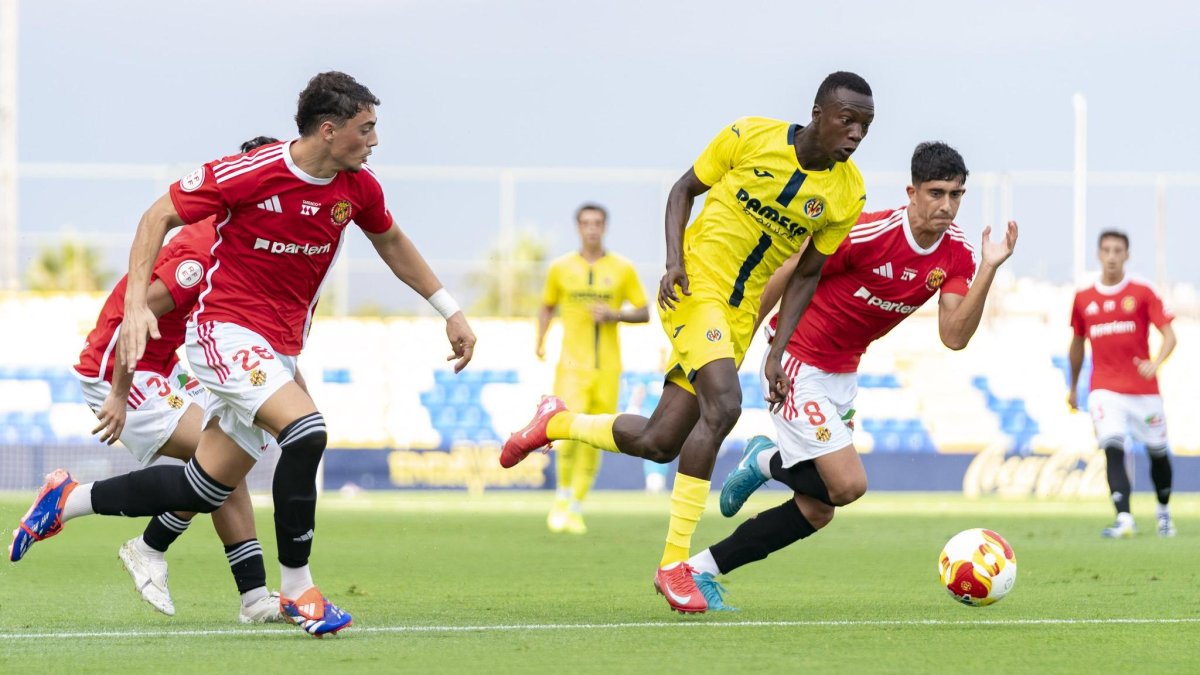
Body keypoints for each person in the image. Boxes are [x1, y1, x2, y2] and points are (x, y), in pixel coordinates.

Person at [9, 72, 477, 637]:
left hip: (274, 350)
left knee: (204, 486)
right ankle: (295, 589)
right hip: (224, 334)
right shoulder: (252, 173)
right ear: (329, 131)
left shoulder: (358, 188)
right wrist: (135, 308)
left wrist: (448, 308)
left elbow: (392, 243)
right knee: (306, 431)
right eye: (366, 128)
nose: (375, 141)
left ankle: (71, 501)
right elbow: (157, 214)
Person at [501, 71, 874, 613]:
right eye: (847, 119)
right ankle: (675, 563)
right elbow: (683, 190)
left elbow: (808, 274)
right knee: (724, 405)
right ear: (818, 112)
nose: (856, 133)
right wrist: (675, 260)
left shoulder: (847, 191)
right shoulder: (750, 136)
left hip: (741, 315)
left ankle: (555, 422)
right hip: (695, 288)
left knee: (659, 440)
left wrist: (776, 350)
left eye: (865, 124)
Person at [688, 142, 1018, 610]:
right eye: (937, 192)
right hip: (796, 360)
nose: (947, 205)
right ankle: (767, 462)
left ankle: (702, 568)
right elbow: (791, 272)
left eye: (957, 195)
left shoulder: (958, 255)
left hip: (842, 376)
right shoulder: (868, 233)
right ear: (912, 191)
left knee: (818, 509)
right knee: (848, 486)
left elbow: (954, 336)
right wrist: (746, 346)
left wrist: (988, 267)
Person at [66, 136, 285, 622]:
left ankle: (250, 597)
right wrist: (119, 396)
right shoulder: (201, 252)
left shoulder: (245, 245)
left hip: (163, 367)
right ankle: (85, 508)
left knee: (231, 456)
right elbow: (134, 319)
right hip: (121, 366)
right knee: (221, 460)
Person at [536, 203, 649, 534]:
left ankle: (575, 505)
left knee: (597, 438)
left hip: (608, 369)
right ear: (578, 227)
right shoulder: (560, 268)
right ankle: (562, 496)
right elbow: (546, 306)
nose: (592, 228)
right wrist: (540, 339)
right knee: (568, 435)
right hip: (571, 368)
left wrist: (615, 315)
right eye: (586, 223)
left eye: (597, 223)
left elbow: (644, 312)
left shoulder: (623, 268)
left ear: (605, 227)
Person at [1068, 231, 1177, 538]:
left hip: (1144, 391)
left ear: (1127, 255)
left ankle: (1164, 512)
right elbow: (1076, 343)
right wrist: (1073, 386)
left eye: (1118, 250)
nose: (1112, 256)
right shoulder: (1083, 298)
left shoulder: (1143, 292)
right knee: (1112, 447)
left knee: (1158, 452)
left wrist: (1156, 363)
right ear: (1099, 254)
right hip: (1104, 389)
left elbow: (1170, 335)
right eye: (1106, 250)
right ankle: (1124, 518)